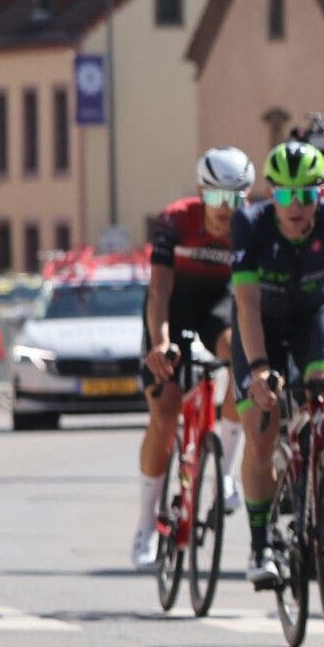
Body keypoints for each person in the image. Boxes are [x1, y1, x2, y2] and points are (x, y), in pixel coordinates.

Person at [232, 141, 324, 585]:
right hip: (261, 323)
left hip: (317, 314)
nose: (295, 206)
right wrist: (259, 368)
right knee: (261, 431)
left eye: (305, 195)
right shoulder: (249, 223)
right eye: (284, 195)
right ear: (271, 194)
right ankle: (260, 544)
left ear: (322, 193)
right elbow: (246, 304)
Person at [132, 147, 253, 568]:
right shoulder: (175, 220)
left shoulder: (250, 226)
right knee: (165, 413)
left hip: (218, 308)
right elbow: (160, 289)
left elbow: (248, 295)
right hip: (174, 309)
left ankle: (225, 473)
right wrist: (160, 342)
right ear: (202, 193)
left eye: (235, 198)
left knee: (242, 359)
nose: (226, 209)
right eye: (217, 198)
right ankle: (146, 523)